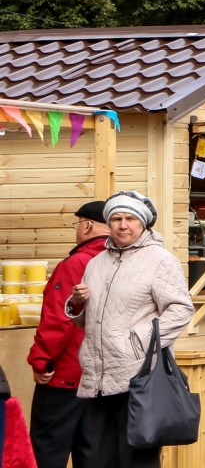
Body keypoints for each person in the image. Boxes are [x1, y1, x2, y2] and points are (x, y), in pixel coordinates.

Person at [65, 191, 194, 468]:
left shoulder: (160, 260)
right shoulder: (96, 263)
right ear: (108, 224)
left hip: (137, 379)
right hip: (96, 379)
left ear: (143, 224)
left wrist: (137, 343)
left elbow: (181, 310)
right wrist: (76, 304)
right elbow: (91, 320)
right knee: (96, 460)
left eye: (130, 218)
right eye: (116, 218)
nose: (123, 225)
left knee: (136, 460)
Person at [26, 201, 109, 468]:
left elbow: (59, 319)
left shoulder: (77, 264)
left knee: (48, 452)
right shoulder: (119, 263)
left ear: (87, 225)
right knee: (92, 454)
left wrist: (41, 361)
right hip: (103, 380)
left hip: (64, 376)